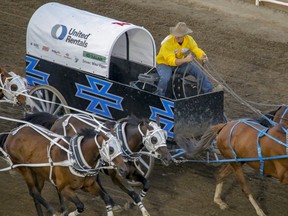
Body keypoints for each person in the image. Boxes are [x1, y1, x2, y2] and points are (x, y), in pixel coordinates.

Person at [156, 22, 216, 96]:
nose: (176, 37)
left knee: (198, 71)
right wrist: (185, 60)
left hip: (179, 63)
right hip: (164, 64)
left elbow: (195, 49)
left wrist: (203, 56)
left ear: (184, 35)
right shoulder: (167, 42)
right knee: (164, 79)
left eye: (179, 36)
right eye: (176, 35)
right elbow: (171, 61)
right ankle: (159, 96)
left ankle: (209, 91)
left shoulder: (189, 40)